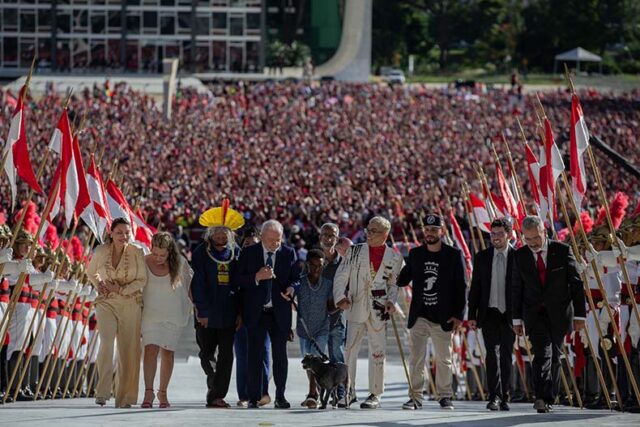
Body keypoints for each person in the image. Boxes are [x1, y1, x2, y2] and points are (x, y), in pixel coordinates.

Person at [511, 215, 585, 414]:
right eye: (528, 239)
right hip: (534, 314)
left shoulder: (562, 250)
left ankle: (551, 395)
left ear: (544, 232)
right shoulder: (520, 256)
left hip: (559, 313)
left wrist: (580, 315)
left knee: (555, 355)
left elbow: (576, 284)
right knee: (542, 353)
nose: (533, 243)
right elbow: (516, 289)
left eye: (536, 238)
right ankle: (541, 397)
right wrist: (516, 319)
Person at [397, 214, 467, 411]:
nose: (429, 233)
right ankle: (415, 397)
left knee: (444, 359)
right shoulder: (416, 254)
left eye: (434, 230)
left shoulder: (454, 255)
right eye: (426, 230)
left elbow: (461, 287)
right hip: (420, 314)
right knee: (416, 359)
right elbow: (403, 279)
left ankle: (445, 396)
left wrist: (459, 315)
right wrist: (393, 266)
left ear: (441, 231)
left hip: (443, 316)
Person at [333, 216, 404, 409]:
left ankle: (375, 393)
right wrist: (340, 296)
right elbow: (341, 276)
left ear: (385, 234)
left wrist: (391, 300)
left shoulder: (395, 257)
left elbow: (394, 284)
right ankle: (348, 392)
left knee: (378, 352)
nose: (369, 234)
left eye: (373, 231)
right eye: (368, 230)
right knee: (349, 352)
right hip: (356, 306)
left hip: (379, 310)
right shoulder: (354, 251)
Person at [237, 219, 301, 409]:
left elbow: (297, 279)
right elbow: (238, 279)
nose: (275, 244)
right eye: (271, 240)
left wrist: (291, 288)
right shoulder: (249, 253)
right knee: (254, 356)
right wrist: (256, 277)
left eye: (278, 240)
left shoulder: (288, 253)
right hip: (256, 312)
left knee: (280, 356)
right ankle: (254, 397)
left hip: (279, 313)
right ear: (262, 237)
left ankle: (280, 395)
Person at [86, 217, 147, 408]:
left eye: (127, 232)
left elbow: (142, 280)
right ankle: (102, 392)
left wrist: (120, 290)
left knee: (128, 349)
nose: (124, 236)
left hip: (130, 303)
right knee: (106, 340)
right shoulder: (101, 250)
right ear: (111, 233)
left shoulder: (137, 251)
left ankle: (125, 396)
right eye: (119, 232)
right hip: (107, 303)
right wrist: (100, 285)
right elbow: (90, 272)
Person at [191, 202, 244, 408]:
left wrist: (240, 313)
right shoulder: (200, 253)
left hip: (229, 312)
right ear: (210, 234)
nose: (221, 238)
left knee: (227, 355)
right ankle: (214, 380)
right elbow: (198, 283)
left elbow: (240, 284)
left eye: (224, 234)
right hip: (207, 312)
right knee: (206, 352)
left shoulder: (236, 251)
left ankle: (217, 395)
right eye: (217, 234)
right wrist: (202, 311)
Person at [141, 232, 193, 409]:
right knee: (149, 350)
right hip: (150, 314)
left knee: (168, 354)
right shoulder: (143, 261)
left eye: (162, 255)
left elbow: (189, 289)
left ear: (170, 252)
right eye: (155, 253)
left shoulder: (180, 263)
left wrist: (200, 309)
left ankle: (163, 392)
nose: (158, 258)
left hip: (172, 314)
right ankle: (148, 392)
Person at [468, 218, 515, 411]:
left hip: (511, 315)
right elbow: (475, 289)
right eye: (492, 234)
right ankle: (494, 396)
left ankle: (505, 395)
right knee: (491, 356)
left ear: (509, 235)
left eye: (499, 234)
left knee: (506, 355)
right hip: (489, 313)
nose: (495, 238)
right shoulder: (482, 257)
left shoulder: (518, 256)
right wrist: (472, 314)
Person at [234, 226, 272, 407]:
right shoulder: (236, 262)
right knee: (242, 356)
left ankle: (263, 392)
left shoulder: (267, 260)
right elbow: (236, 284)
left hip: (263, 315)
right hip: (241, 315)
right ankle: (244, 394)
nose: (249, 247)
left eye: (254, 244)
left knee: (264, 354)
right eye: (246, 244)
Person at [295, 249, 331, 408]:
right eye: (313, 265)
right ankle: (315, 392)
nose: (317, 269)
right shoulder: (299, 283)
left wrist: (342, 304)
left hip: (321, 329)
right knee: (308, 363)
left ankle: (311, 395)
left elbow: (331, 306)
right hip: (304, 331)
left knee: (315, 361)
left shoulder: (328, 284)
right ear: (307, 265)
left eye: (320, 266)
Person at [318, 223, 346, 405]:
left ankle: (342, 394)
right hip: (316, 321)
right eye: (325, 235)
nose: (328, 239)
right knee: (319, 361)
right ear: (320, 237)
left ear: (337, 239)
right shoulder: (313, 260)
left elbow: (347, 290)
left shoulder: (344, 264)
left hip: (336, 318)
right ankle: (320, 395)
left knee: (337, 357)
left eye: (332, 236)